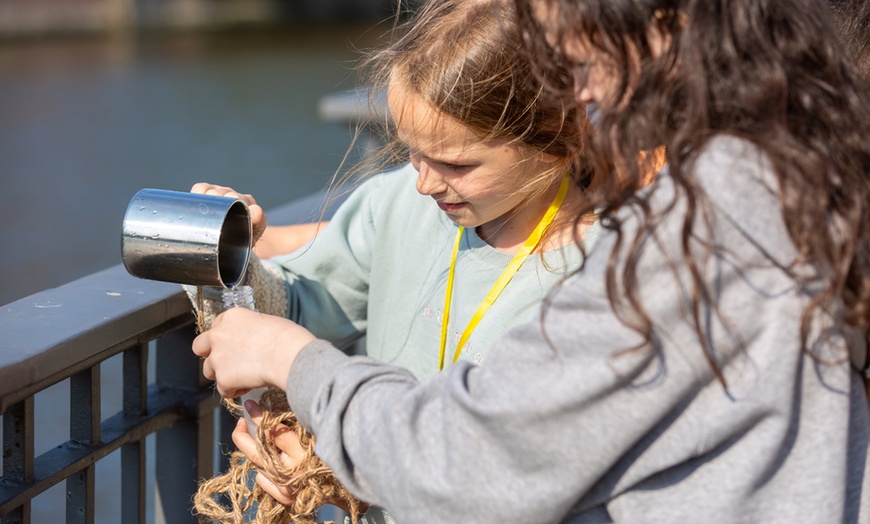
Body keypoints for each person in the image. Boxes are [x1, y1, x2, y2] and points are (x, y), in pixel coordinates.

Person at [194, 0, 870, 521]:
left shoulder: (706, 231)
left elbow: (470, 466)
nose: (584, 92)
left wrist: (295, 365)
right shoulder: (795, 180)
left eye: (581, 58)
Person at [188, 0, 604, 522]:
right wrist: (223, 257)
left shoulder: (608, 283)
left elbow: (520, 486)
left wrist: (348, 474)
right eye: (411, 150)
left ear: (554, 140)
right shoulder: (397, 205)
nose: (425, 182)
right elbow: (300, 304)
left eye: (456, 163)